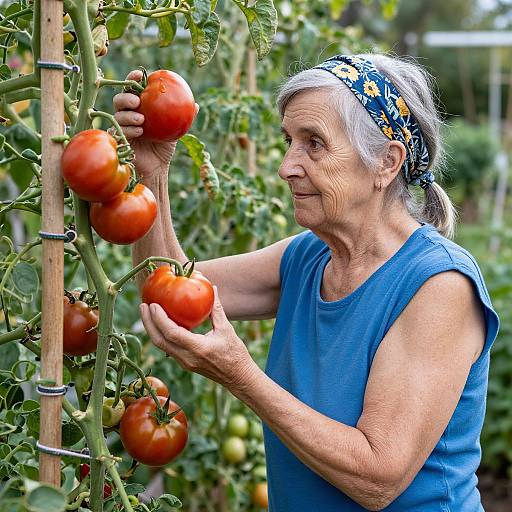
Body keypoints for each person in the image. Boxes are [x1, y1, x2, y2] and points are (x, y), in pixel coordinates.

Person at [113, 54, 500, 511]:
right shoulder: (309, 256)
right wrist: (151, 172)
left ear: (386, 162)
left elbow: (378, 477)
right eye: (289, 140)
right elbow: (166, 287)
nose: (287, 166)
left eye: (314, 144)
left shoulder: (438, 286)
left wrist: (242, 377)